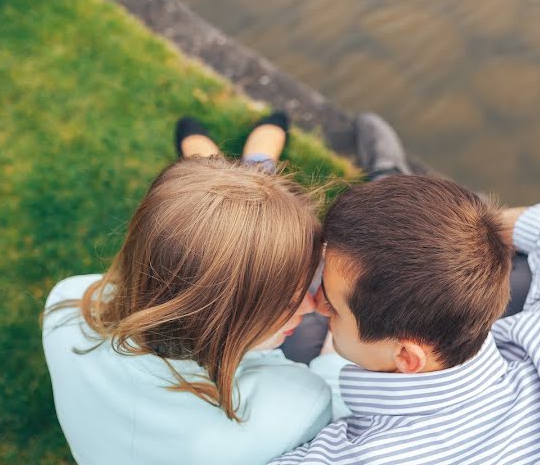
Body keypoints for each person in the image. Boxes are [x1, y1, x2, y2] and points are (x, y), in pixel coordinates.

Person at [272, 113, 540, 464]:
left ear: (407, 357)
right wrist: (466, 238)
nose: (316, 302)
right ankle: (391, 181)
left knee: (295, 327)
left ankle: (387, 176)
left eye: (331, 304)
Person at [42, 113, 334, 465]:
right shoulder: (299, 406)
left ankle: (222, 164)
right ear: (222, 314)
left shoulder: (68, 304)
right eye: (288, 299)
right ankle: (245, 161)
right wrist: (339, 343)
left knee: (222, 226)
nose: (314, 303)